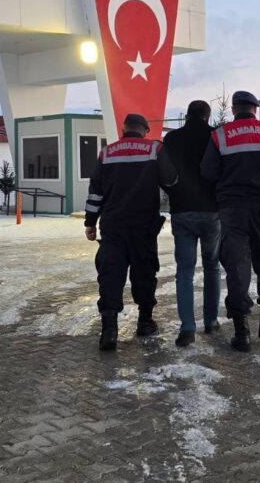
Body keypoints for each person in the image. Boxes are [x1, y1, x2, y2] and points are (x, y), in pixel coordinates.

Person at [84, 113, 178, 351]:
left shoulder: (107, 153)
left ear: (124, 129)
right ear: (145, 130)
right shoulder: (153, 149)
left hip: (113, 226)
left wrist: (90, 221)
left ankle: (109, 329)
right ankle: (145, 322)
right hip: (143, 227)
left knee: (110, 274)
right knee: (144, 273)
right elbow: (171, 180)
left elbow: (96, 190)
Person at [201, 91, 260, 352]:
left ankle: (241, 332)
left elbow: (208, 172)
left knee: (237, 267)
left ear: (235, 108)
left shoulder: (220, 135)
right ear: (255, 109)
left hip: (233, 209)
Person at [162, 100, 221, 347]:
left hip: (182, 211)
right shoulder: (215, 137)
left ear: (187, 115)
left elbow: (162, 172)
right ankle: (211, 321)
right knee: (212, 267)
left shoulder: (172, 139)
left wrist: (173, 192)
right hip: (211, 211)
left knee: (184, 271)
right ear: (207, 117)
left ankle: (187, 327)